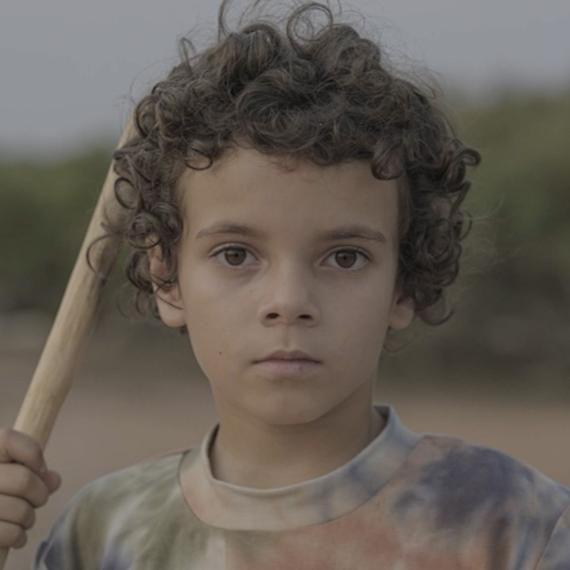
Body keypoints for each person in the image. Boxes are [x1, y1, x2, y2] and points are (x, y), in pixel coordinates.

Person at [1, 0, 569, 568]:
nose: (289, 303)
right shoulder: (101, 536)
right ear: (166, 278)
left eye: (345, 258)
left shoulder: (518, 526)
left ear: (404, 282)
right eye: (235, 254)